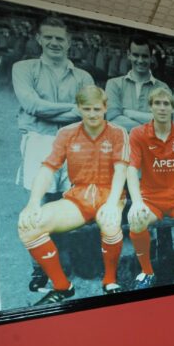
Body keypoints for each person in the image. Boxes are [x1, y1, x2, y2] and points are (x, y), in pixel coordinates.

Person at [17, 85, 129, 305]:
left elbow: (121, 170)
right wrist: (32, 203)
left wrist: (112, 203)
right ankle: (62, 286)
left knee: (110, 222)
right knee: (29, 226)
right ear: (78, 109)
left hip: (110, 194)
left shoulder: (117, 132)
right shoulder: (66, 133)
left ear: (105, 108)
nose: (92, 114)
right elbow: (48, 168)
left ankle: (110, 280)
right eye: (87, 109)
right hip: (79, 196)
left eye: (97, 109)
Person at [12, 16, 94, 293]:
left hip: (75, 143)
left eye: (60, 38)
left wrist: (53, 109)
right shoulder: (23, 68)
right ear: (38, 38)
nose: (54, 43)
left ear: (69, 42)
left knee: (69, 203)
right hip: (39, 141)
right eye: (49, 37)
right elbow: (31, 105)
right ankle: (40, 271)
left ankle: (65, 262)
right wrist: (72, 109)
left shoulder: (83, 76)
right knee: (41, 202)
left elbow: (90, 112)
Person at [126, 87, 174, 287]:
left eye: (166, 104)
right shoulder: (138, 134)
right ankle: (147, 272)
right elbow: (131, 169)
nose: (162, 108)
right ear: (150, 107)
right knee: (135, 220)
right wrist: (136, 202)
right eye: (157, 103)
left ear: (172, 108)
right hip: (150, 199)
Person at [105, 35, 171, 132]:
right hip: (122, 144)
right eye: (136, 55)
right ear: (129, 54)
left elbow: (163, 123)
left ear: (151, 57)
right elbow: (112, 120)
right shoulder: (114, 84)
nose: (140, 61)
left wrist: (128, 113)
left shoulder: (163, 88)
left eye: (144, 56)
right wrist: (149, 124)